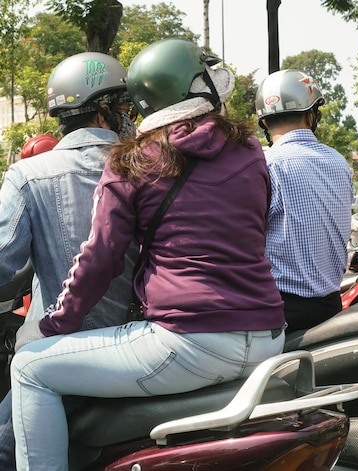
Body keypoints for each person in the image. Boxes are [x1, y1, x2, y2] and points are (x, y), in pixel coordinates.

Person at [10, 38, 286, 470]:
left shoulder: (131, 162)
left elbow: (99, 258)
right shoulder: (250, 150)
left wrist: (54, 325)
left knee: (28, 366)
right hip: (270, 334)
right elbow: (259, 225)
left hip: (189, 342)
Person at [0, 51, 139, 470]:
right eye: (125, 109)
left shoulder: (29, 176)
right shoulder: (153, 169)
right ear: (104, 113)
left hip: (56, 358)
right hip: (143, 351)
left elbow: (4, 264)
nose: (129, 119)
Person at [255, 69, 353, 333]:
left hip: (279, 310)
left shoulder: (265, 164)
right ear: (312, 115)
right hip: (332, 305)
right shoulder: (338, 162)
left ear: (264, 122)